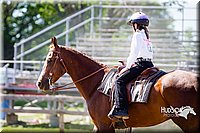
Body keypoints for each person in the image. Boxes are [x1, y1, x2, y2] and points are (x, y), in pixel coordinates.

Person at [108, 12, 154, 119]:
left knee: (119, 81)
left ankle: (121, 109)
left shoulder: (137, 35)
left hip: (141, 65)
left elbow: (133, 54)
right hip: (149, 64)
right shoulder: (147, 37)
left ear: (135, 25)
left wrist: (128, 67)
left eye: (132, 24)